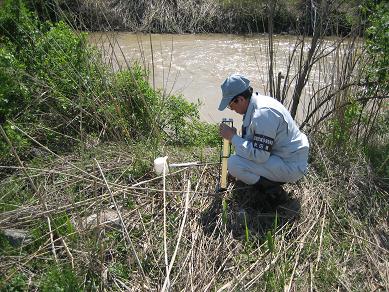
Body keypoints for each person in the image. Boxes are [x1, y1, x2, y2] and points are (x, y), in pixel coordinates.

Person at [218, 74, 309, 196]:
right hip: (283, 157)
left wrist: (233, 138)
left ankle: (272, 191)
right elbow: (253, 143)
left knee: (234, 163)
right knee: (238, 156)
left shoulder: (263, 114)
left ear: (240, 99)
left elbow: (260, 156)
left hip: (290, 164)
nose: (232, 109)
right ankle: (267, 182)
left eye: (230, 105)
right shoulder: (255, 105)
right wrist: (235, 138)